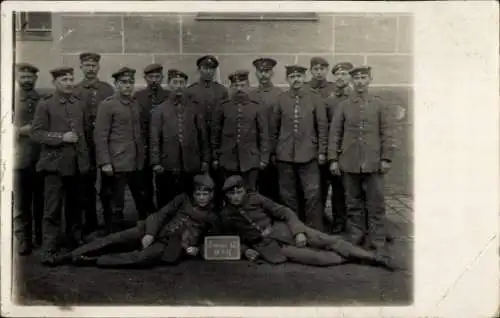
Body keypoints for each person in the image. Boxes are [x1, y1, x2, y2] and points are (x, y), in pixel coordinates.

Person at [219, 176, 402, 270]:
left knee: (328, 241)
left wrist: (298, 231)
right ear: (226, 196)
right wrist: (246, 250)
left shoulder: (255, 198)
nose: (236, 196)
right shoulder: (226, 214)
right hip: (269, 246)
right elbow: (230, 239)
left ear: (244, 190)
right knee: (317, 258)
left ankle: (376, 258)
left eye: (238, 192)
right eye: (231, 194)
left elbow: (285, 211)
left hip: (284, 230)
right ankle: (355, 256)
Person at [55, 175, 217, 268]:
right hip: (151, 230)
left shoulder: (213, 216)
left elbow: (214, 240)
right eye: (198, 194)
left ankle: (92, 261)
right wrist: (150, 234)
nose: (201, 198)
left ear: (211, 195)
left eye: (205, 194)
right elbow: (159, 215)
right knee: (113, 239)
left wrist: (196, 249)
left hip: (171, 245)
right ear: (193, 194)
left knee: (139, 258)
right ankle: (69, 256)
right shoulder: (182, 199)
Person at [328, 66, 397, 252]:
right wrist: (333, 159)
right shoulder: (344, 106)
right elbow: (335, 133)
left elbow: (387, 133)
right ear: (352, 82)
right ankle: (356, 236)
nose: (359, 81)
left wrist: (386, 158)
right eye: (356, 78)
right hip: (349, 162)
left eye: (363, 77)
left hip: (373, 162)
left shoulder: (379, 104)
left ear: (370, 80)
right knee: (353, 202)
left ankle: (378, 239)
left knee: (376, 202)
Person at [31, 67, 91, 265]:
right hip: (55, 166)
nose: (68, 82)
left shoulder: (79, 104)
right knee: (52, 210)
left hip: (76, 165)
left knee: (75, 207)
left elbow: (85, 133)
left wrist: (85, 161)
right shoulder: (46, 104)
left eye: (71, 79)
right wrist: (61, 138)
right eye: (64, 79)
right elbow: (36, 133)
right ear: (55, 82)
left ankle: (75, 243)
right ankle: (49, 250)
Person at [94, 67, 155, 235]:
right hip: (116, 163)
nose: (127, 86)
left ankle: (139, 236)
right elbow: (100, 135)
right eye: (123, 82)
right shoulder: (107, 105)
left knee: (141, 200)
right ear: (116, 84)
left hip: (135, 163)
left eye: (130, 82)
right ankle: (112, 236)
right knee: (115, 204)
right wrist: (105, 162)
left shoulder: (135, 104)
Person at [272, 65, 328, 231]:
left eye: (299, 76)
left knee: (312, 193)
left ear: (304, 78)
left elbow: (322, 127)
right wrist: (273, 152)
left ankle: (314, 230)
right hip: (285, 154)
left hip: (309, 153)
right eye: (292, 77)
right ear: (287, 79)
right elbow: (274, 128)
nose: (296, 79)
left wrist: (322, 151)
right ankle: (293, 228)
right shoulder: (281, 99)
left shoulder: (315, 98)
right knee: (287, 195)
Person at [150, 69, 210, 208]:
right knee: (166, 198)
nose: (178, 86)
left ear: (185, 84)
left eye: (181, 82)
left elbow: (203, 136)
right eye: (175, 82)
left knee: (191, 196)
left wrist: (205, 159)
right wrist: (156, 162)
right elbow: (154, 138)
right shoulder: (159, 110)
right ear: (169, 84)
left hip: (191, 162)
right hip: (167, 164)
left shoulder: (195, 108)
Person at [74, 52, 115, 236]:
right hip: (84, 143)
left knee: (108, 184)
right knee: (85, 183)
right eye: (87, 65)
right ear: (81, 67)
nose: (90, 69)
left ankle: (109, 223)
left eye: (93, 65)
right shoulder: (75, 90)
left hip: (105, 143)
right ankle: (90, 223)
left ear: (98, 67)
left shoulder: (107, 90)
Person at [212, 70, 269, 191]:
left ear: (248, 86)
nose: (239, 89)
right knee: (228, 190)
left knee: (250, 191)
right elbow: (216, 133)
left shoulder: (256, 107)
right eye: (236, 85)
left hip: (250, 159)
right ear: (231, 87)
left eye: (243, 85)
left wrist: (264, 157)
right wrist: (216, 157)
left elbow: (264, 134)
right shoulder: (224, 106)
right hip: (228, 158)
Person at [186, 55, 229, 208]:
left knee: (219, 180)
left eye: (211, 69)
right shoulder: (191, 91)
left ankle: (217, 212)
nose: (208, 71)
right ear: (199, 69)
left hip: (217, 143)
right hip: (198, 143)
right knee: (197, 180)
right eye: (205, 68)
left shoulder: (222, 91)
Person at [13, 63, 45, 255]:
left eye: (30, 77)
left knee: (40, 201)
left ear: (35, 79)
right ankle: (23, 238)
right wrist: (19, 130)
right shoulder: (9, 100)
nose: (26, 81)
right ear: (17, 79)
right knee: (21, 202)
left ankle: (40, 237)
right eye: (23, 77)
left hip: (40, 158)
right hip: (19, 158)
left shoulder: (42, 100)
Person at [322, 61, 354, 234]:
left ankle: (356, 224)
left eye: (345, 73)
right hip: (337, 151)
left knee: (355, 190)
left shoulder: (357, 97)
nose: (341, 77)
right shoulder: (330, 101)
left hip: (353, 151)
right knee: (338, 190)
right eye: (338, 74)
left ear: (351, 76)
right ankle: (339, 221)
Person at [134, 64, 171, 210]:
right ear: (145, 78)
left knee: (164, 184)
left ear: (162, 78)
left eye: (157, 77)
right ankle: (147, 215)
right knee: (144, 183)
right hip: (144, 146)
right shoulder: (138, 96)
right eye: (151, 77)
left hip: (164, 146)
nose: (154, 80)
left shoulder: (168, 96)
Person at [250, 57, 283, 202]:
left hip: (274, 147)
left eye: (267, 71)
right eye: (260, 71)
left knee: (274, 185)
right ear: (256, 73)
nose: (264, 75)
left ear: (272, 73)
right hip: (254, 147)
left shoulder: (279, 95)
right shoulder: (251, 95)